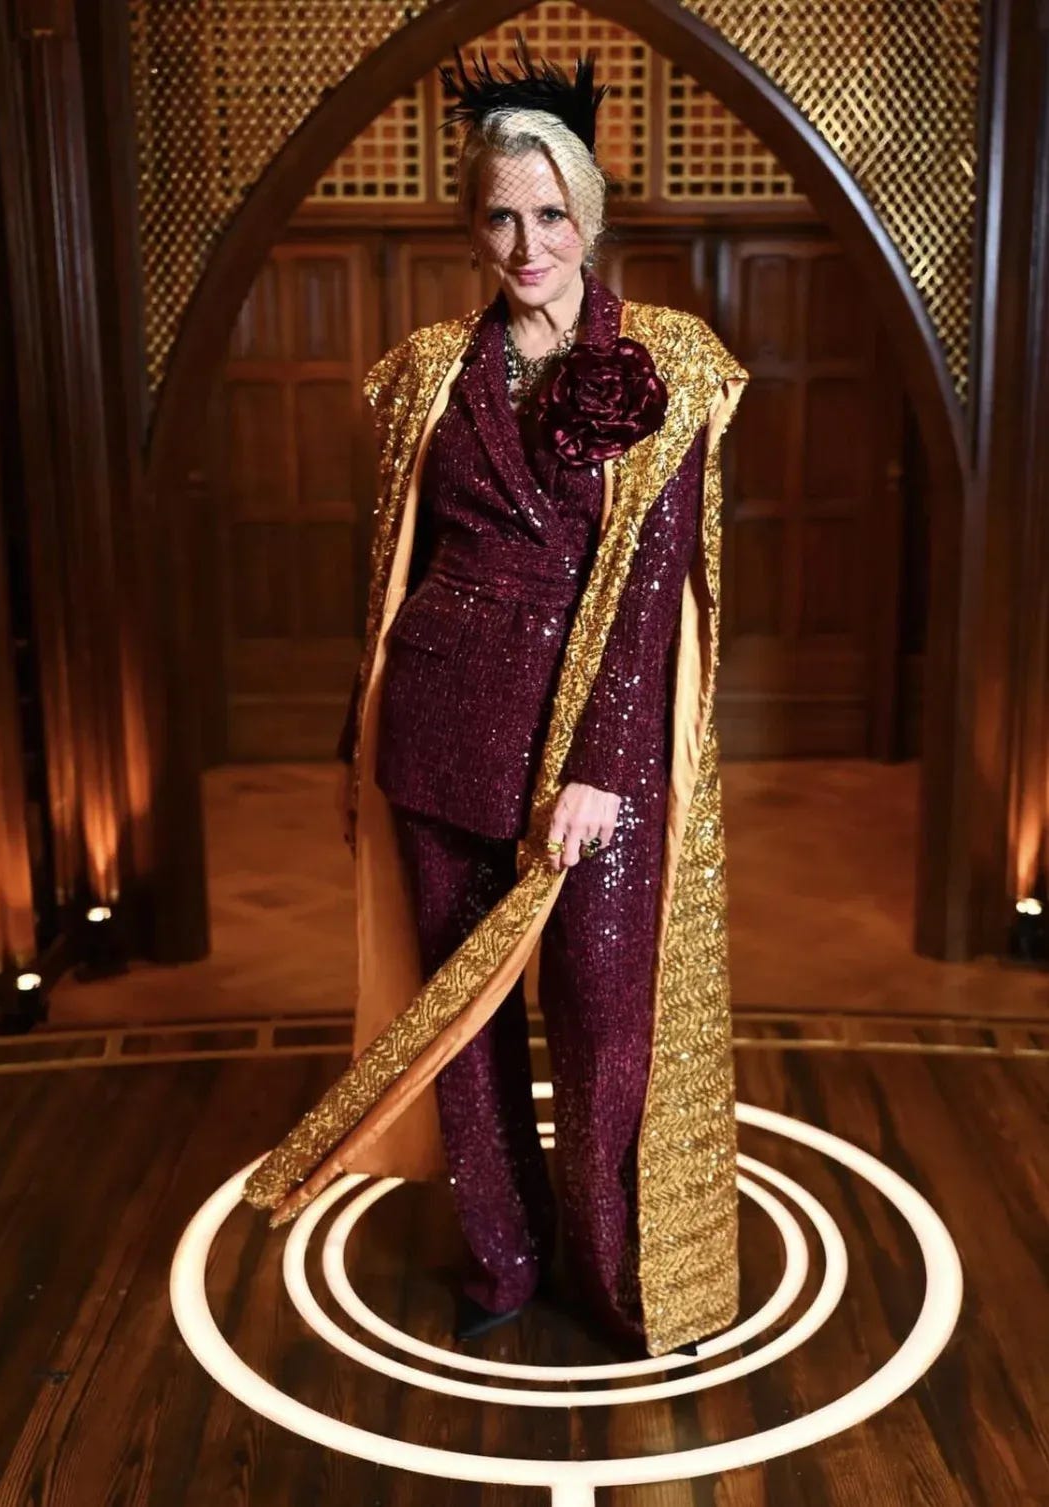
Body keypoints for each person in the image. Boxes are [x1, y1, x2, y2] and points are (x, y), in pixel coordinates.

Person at [242, 33, 750, 1362]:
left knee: (606, 1034)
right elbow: (390, 571)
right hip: (439, 735)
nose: (529, 245)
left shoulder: (673, 361)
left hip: (595, 762)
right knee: (463, 1038)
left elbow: (656, 593)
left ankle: (613, 1270)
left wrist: (601, 768)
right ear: (475, 227)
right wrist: (358, 740)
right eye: (503, 218)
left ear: (591, 216)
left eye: (552, 215)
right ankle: (502, 1254)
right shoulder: (424, 369)